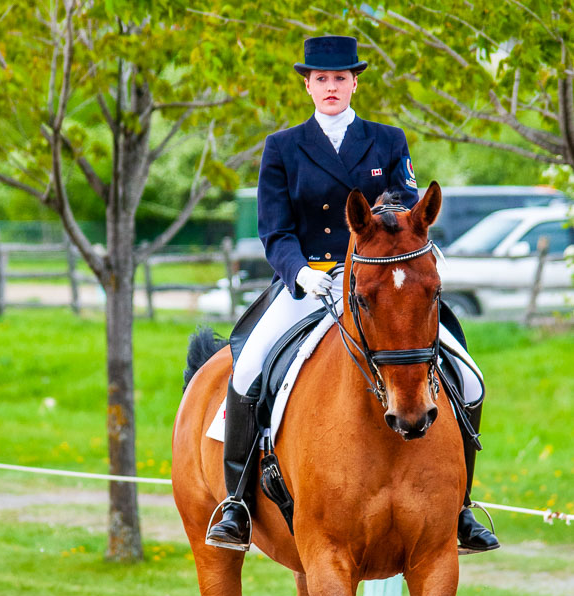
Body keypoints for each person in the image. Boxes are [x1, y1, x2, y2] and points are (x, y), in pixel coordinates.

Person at [206, 35, 498, 555]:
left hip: (384, 280)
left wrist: (422, 244)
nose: (331, 87)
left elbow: (410, 207)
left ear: (354, 82)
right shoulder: (283, 147)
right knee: (248, 367)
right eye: (321, 79)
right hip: (311, 279)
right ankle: (236, 505)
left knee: (469, 378)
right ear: (308, 85)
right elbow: (275, 231)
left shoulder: (386, 139)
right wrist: (300, 274)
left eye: (340, 78)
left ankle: (462, 508)